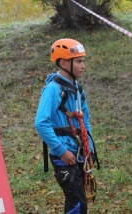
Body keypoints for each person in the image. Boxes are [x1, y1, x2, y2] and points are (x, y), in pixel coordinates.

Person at [35, 38, 99, 214]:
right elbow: (41, 122)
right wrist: (61, 150)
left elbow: (84, 122)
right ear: (64, 62)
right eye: (78, 61)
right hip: (63, 155)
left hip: (78, 152)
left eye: (83, 61)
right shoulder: (53, 90)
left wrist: (89, 150)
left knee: (77, 201)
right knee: (77, 203)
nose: (83, 66)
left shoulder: (78, 90)